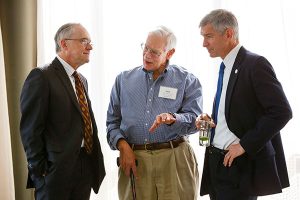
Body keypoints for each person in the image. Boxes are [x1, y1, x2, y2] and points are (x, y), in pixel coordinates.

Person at [196, 9, 293, 200]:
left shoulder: (255, 64)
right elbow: (236, 111)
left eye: (209, 36)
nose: (204, 43)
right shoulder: (224, 67)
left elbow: (281, 112)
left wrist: (244, 145)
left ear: (229, 33)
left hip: (238, 167)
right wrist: (212, 120)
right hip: (216, 164)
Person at [106, 26, 202, 200]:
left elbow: (196, 120)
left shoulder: (187, 80)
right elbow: (112, 123)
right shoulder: (123, 80)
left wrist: (174, 118)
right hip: (135, 160)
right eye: (145, 48)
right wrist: (122, 145)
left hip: (175, 159)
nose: (147, 55)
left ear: (170, 53)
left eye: (154, 52)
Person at [20, 23, 105, 200]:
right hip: (54, 172)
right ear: (64, 44)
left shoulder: (82, 80)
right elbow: (31, 131)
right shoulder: (41, 76)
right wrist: (40, 172)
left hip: (84, 166)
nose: (90, 47)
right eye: (84, 41)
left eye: (90, 42)